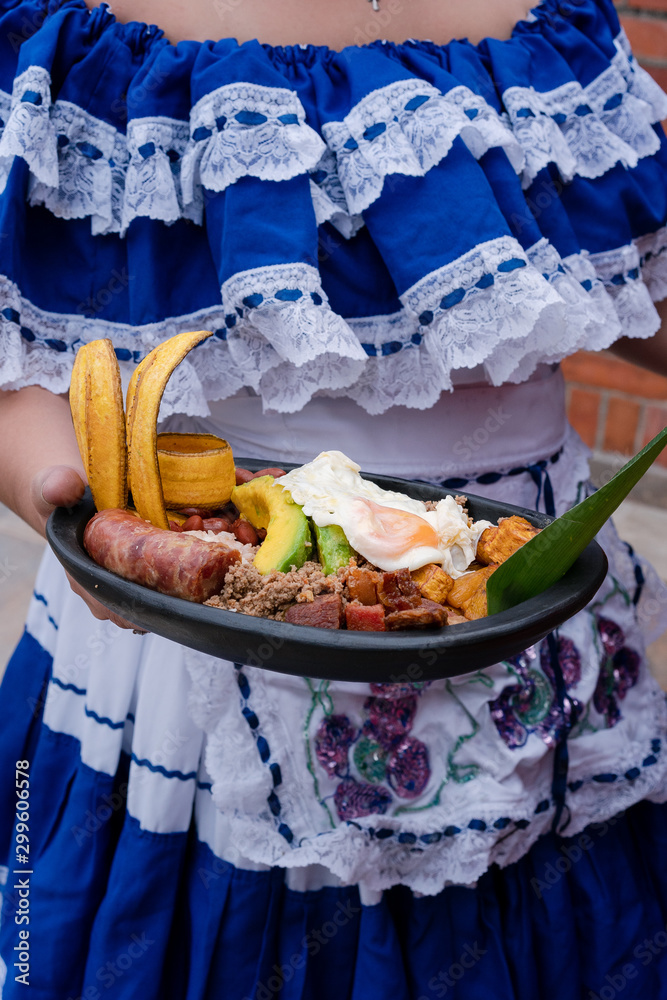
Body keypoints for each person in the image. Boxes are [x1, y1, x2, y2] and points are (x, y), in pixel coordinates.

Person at [0, 0, 666, 997]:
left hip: (529, 654)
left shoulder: (554, 33)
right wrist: (76, 503)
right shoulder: (93, 36)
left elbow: (630, 279)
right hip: (187, 649)